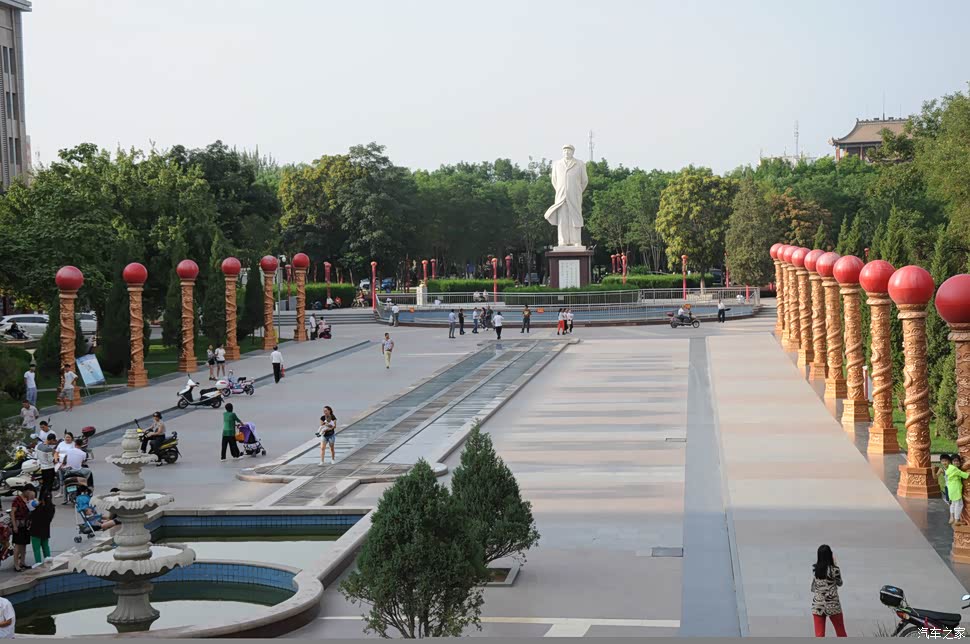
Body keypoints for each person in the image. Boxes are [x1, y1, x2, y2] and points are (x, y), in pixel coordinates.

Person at [811, 544, 846, 637]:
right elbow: (840, 583)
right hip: (833, 604)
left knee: (819, 635)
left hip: (818, 605)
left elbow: (813, 587)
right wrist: (834, 565)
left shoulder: (815, 569)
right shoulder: (834, 570)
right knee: (841, 632)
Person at [10, 486, 33, 572]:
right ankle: (16, 565)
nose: (30, 493)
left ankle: (22, 562)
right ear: (25, 491)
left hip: (26, 525)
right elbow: (12, 513)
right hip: (18, 525)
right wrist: (14, 525)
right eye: (29, 491)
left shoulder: (27, 499)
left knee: (24, 544)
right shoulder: (17, 500)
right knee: (18, 545)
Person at [28, 493, 54, 568]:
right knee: (45, 546)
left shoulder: (38, 508)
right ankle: (48, 560)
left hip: (35, 530)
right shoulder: (52, 508)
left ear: (42, 500)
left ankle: (38, 562)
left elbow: (30, 515)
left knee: (36, 548)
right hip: (46, 529)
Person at [947, 454, 970, 526]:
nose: (956, 462)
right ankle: (956, 520)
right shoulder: (955, 469)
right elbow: (965, 475)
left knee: (953, 503)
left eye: (957, 461)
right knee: (959, 504)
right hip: (956, 489)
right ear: (951, 462)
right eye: (954, 461)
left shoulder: (950, 468)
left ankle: (952, 517)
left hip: (951, 489)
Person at [36, 434, 56, 498]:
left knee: (44, 484)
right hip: (49, 468)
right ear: (51, 440)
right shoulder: (48, 449)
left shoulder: (39, 446)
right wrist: (53, 454)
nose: (53, 443)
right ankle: (47, 499)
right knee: (49, 486)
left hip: (43, 467)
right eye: (53, 441)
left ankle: (41, 498)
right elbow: (50, 460)